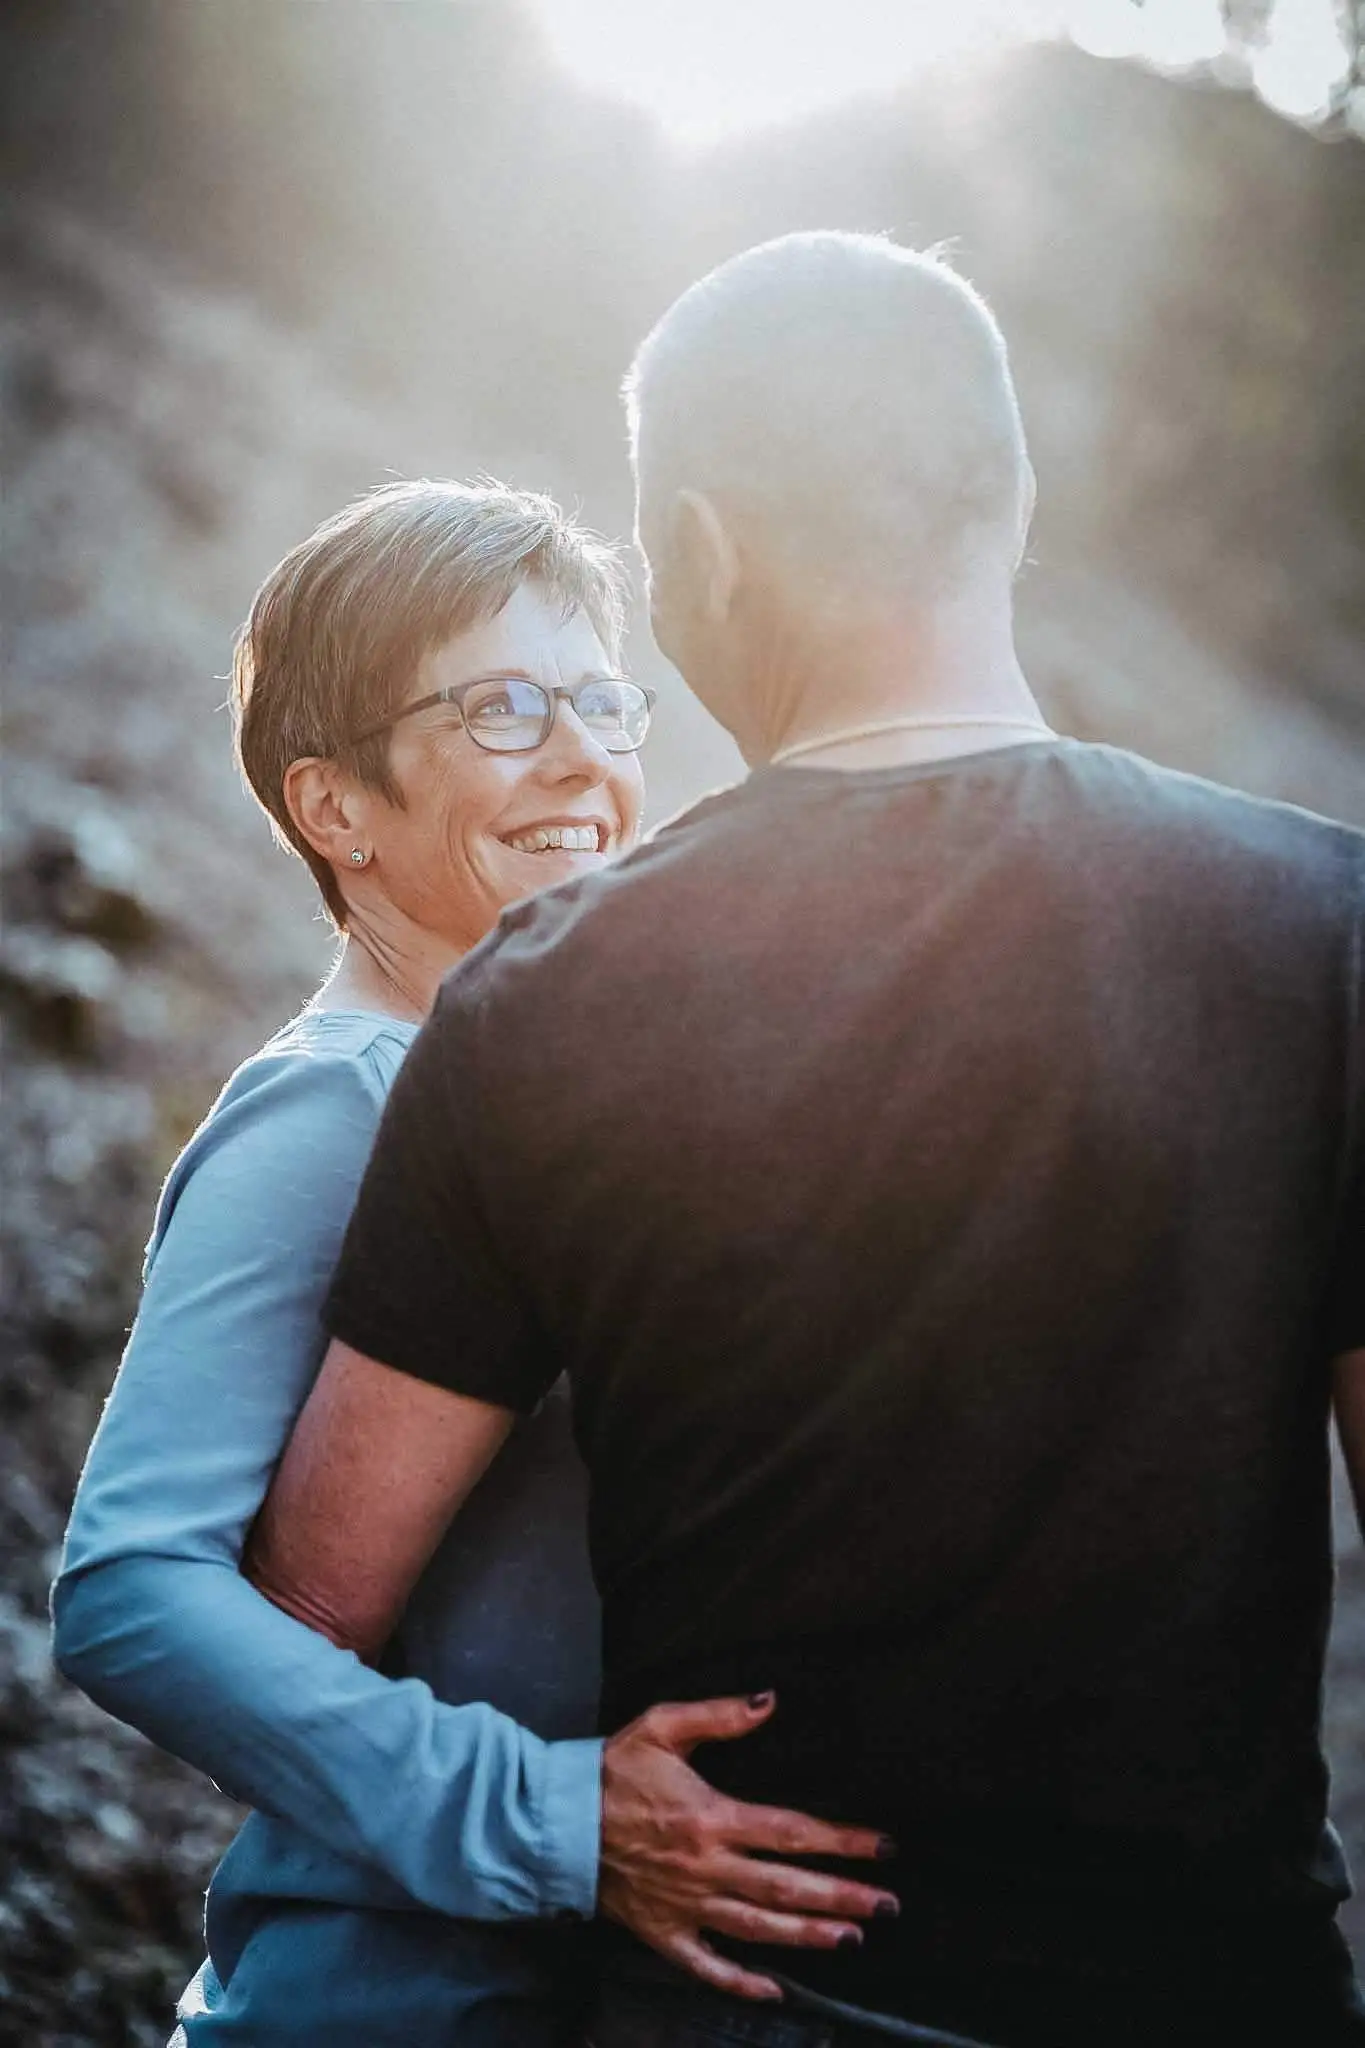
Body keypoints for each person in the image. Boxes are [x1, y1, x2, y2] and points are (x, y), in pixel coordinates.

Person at [245, 236, 1365, 2047]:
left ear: (700, 553)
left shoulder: (544, 995)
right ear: (1012, 505)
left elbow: (312, 1601)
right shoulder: (1324, 931)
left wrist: (556, 1817)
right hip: (1217, 1996)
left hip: (742, 2006)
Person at [51, 477, 897, 2048]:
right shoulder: (336, 1110)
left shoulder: (579, 1100)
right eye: (503, 708)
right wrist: (554, 1819)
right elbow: (131, 1593)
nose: (586, 757)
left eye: (601, 699)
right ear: (337, 810)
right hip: (382, 2006)